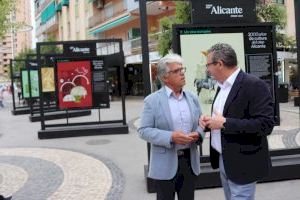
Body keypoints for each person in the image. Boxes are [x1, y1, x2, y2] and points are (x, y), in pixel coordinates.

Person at [199, 43, 274, 200]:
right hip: (223, 158)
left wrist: (225, 123)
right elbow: (224, 117)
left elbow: (265, 125)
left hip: (243, 162)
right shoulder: (221, 86)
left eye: (208, 65)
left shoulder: (254, 85)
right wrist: (209, 123)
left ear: (219, 64)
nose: (207, 70)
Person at [138, 53, 205, 200]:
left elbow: (202, 123)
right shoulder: (152, 101)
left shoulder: (192, 98)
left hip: (189, 162)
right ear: (164, 77)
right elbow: (143, 130)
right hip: (165, 164)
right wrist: (171, 137)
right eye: (176, 71)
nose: (182, 73)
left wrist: (198, 134)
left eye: (182, 69)